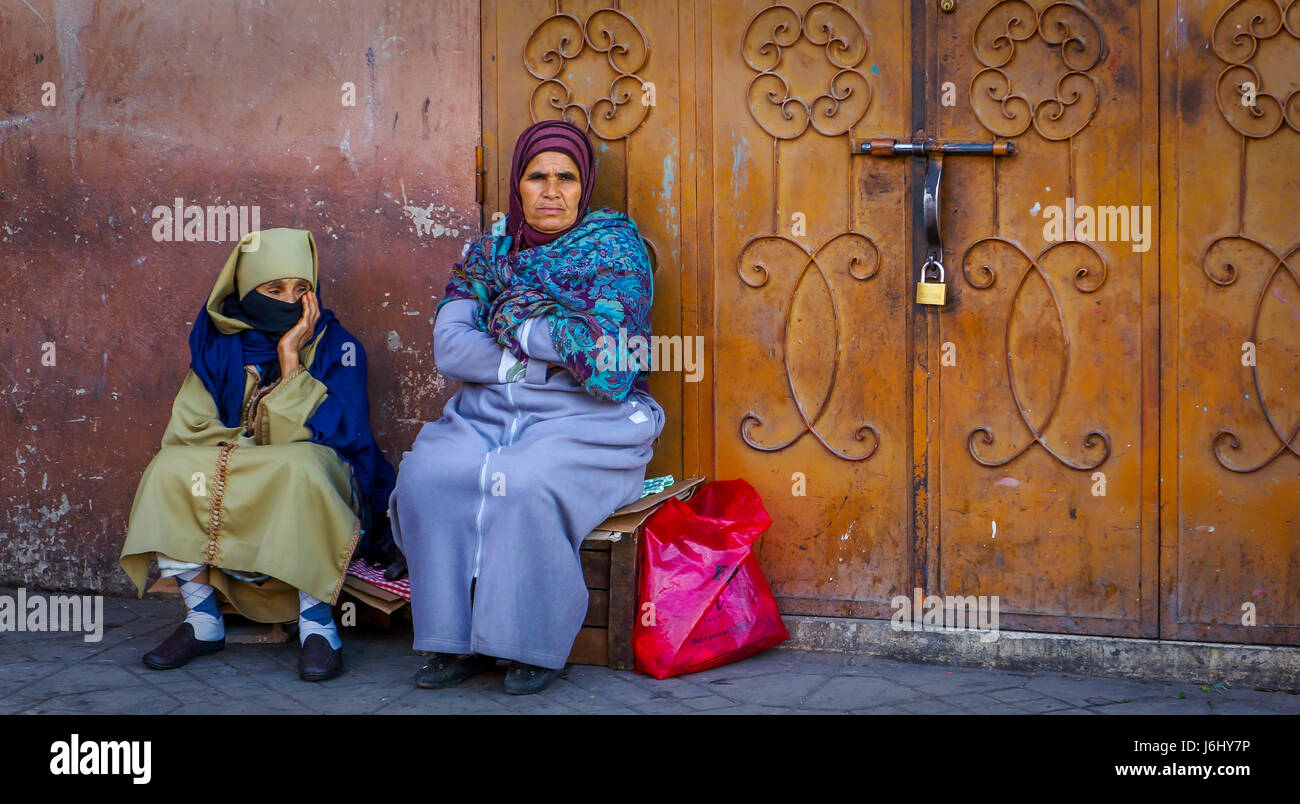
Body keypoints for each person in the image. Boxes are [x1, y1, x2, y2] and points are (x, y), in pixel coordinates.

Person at [390, 119, 665, 695]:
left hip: (588, 421)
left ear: (584, 185)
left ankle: (532, 645)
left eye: (565, 177)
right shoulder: (488, 252)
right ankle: (452, 640)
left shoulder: (615, 250)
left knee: (520, 481)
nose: (552, 191)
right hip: (486, 414)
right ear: (517, 185)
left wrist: (517, 319)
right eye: (537, 176)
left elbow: (610, 363)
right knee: (428, 475)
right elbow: (451, 347)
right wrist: (539, 357)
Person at [120, 227, 397, 682]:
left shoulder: (339, 348)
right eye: (273, 289)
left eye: (301, 289)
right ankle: (203, 621)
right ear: (246, 290)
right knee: (169, 469)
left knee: (300, 468)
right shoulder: (217, 347)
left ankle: (319, 627)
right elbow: (190, 430)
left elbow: (319, 439)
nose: (289, 301)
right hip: (244, 470)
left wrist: (290, 361)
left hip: (320, 476)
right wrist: (250, 448)